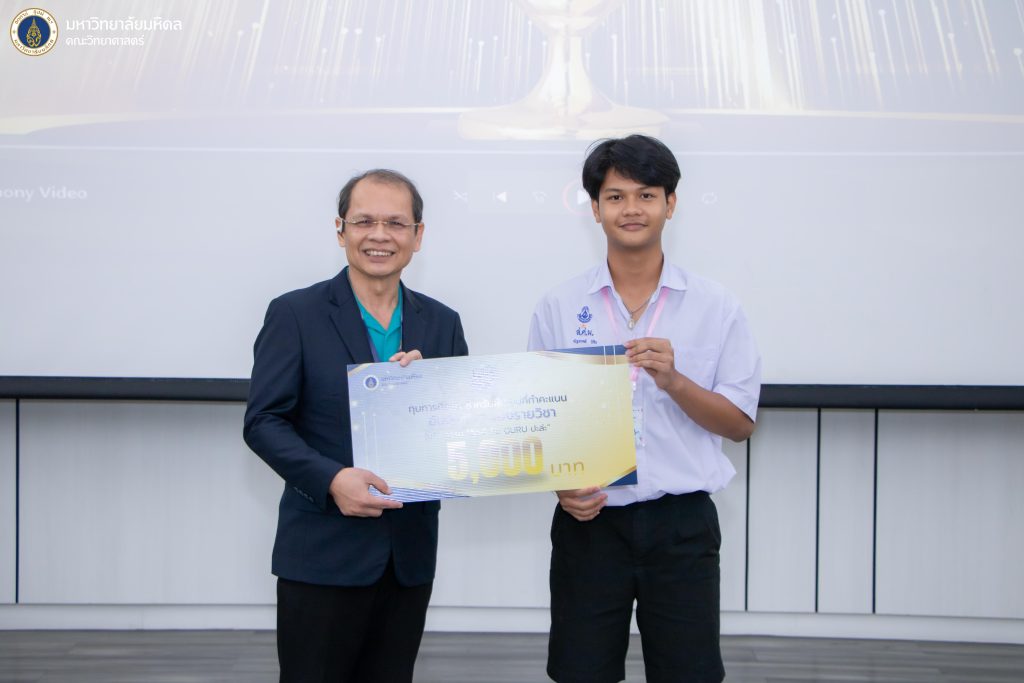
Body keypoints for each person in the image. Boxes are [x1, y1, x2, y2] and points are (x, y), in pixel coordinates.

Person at [528, 135, 761, 683]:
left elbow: (740, 424)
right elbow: (541, 420)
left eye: (646, 195)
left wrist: (674, 381)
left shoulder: (716, 306)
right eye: (615, 197)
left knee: (688, 672)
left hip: (681, 524)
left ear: (670, 204)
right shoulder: (559, 305)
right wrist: (561, 487)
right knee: (581, 672)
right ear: (594, 209)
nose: (630, 209)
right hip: (591, 523)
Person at [244, 169, 468, 683]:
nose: (379, 235)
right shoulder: (294, 313)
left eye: (396, 223)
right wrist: (331, 479)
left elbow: (460, 430)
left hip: (408, 556)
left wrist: (430, 395)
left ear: (418, 234)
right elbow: (263, 421)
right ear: (340, 229)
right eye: (364, 221)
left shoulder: (442, 322)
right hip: (321, 552)